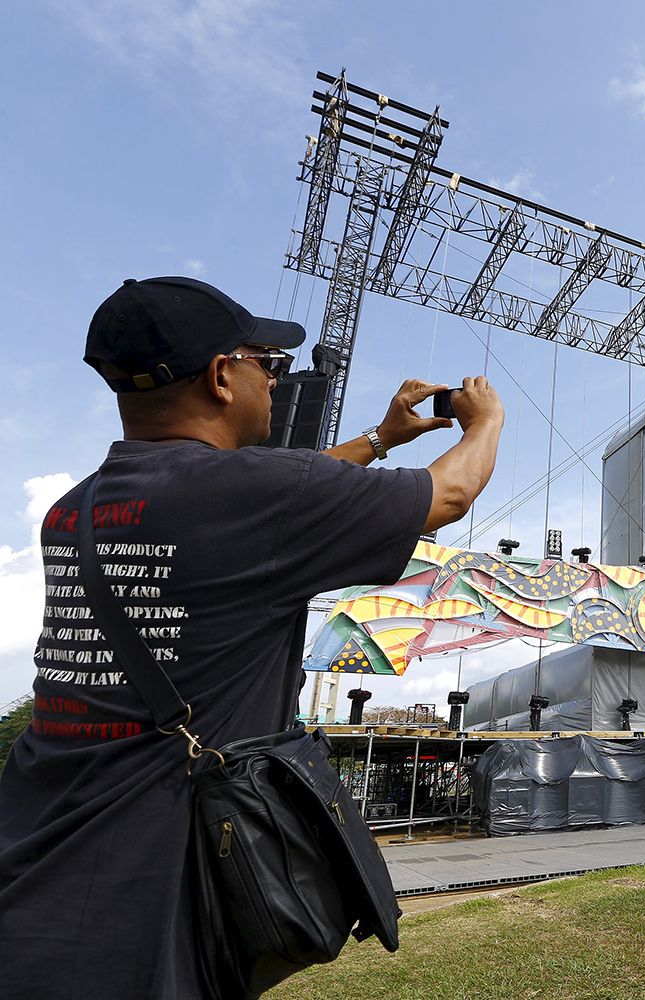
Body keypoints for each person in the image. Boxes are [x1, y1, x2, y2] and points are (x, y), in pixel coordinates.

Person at [0, 276, 505, 998]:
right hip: (152, 905)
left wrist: (380, 439)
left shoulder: (71, 512)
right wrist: (483, 422)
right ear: (219, 376)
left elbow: (268, 497)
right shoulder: (251, 497)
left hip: (32, 867)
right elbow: (448, 494)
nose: (275, 380)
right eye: (266, 362)